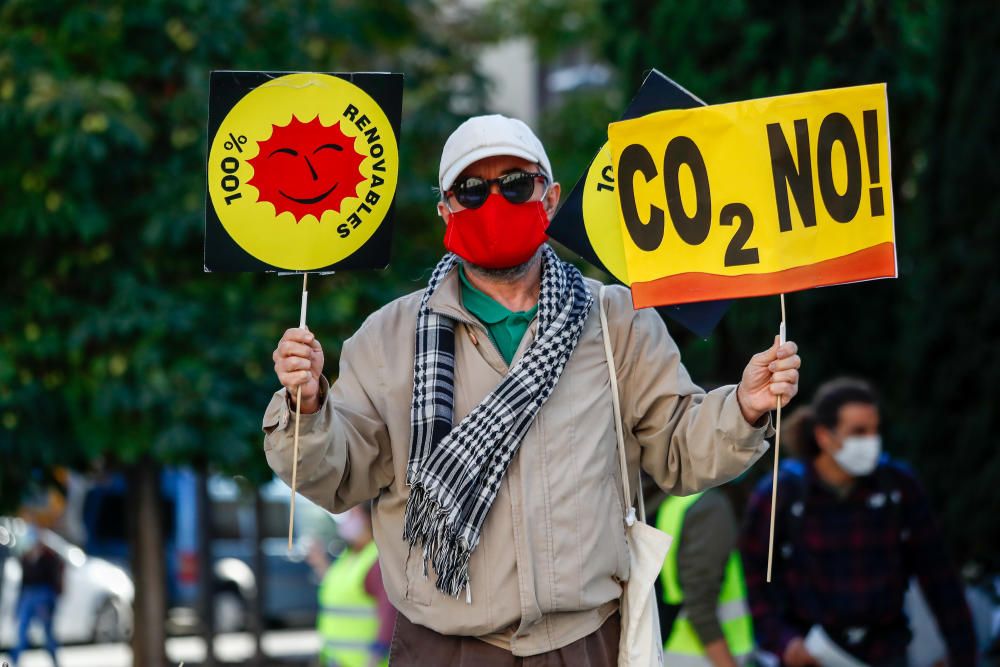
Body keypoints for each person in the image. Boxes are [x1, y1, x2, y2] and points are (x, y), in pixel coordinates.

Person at [264, 113, 801, 665]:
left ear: (550, 197)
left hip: (584, 643)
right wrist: (308, 407)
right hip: (441, 647)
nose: (495, 203)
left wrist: (743, 407)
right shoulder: (387, 337)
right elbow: (339, 473)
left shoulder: (616, 319)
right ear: (445, 209)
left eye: (517, 184)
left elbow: (679, 449)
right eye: (472, 191)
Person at [740, 377, 977, 666]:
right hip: (813, 654)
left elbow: (938, 574)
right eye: (858, 432)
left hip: (885, 651)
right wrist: (784, 641)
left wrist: (962, 653)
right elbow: (755, 576)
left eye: (875, 431)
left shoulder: (897, 487)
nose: (871, 441)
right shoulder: (782, 493)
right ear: (824, 436)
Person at [655, 486, 754, 666]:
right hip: (703, 658)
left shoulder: (675, 503)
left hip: (673, 650)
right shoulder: (709, 508)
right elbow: (700, 607)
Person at [312, 504, 396, 667]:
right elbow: (338, 592)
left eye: (352, 514)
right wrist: (320, 564)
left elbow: (389, 612)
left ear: (367, 519)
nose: (346, 521)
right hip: (336, 660)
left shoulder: (377, 559)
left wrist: (376, 654)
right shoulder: (349, 556)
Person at [10, 524, 63, 667]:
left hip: (43, 597)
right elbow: (23, 583)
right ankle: (14, 662)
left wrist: (49, 605)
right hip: (28, 597)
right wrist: (17, 605)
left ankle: (56, 662)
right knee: (21, 633)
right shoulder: (25, 559)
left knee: (48, 634)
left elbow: (54, 583)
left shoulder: (49, 557)